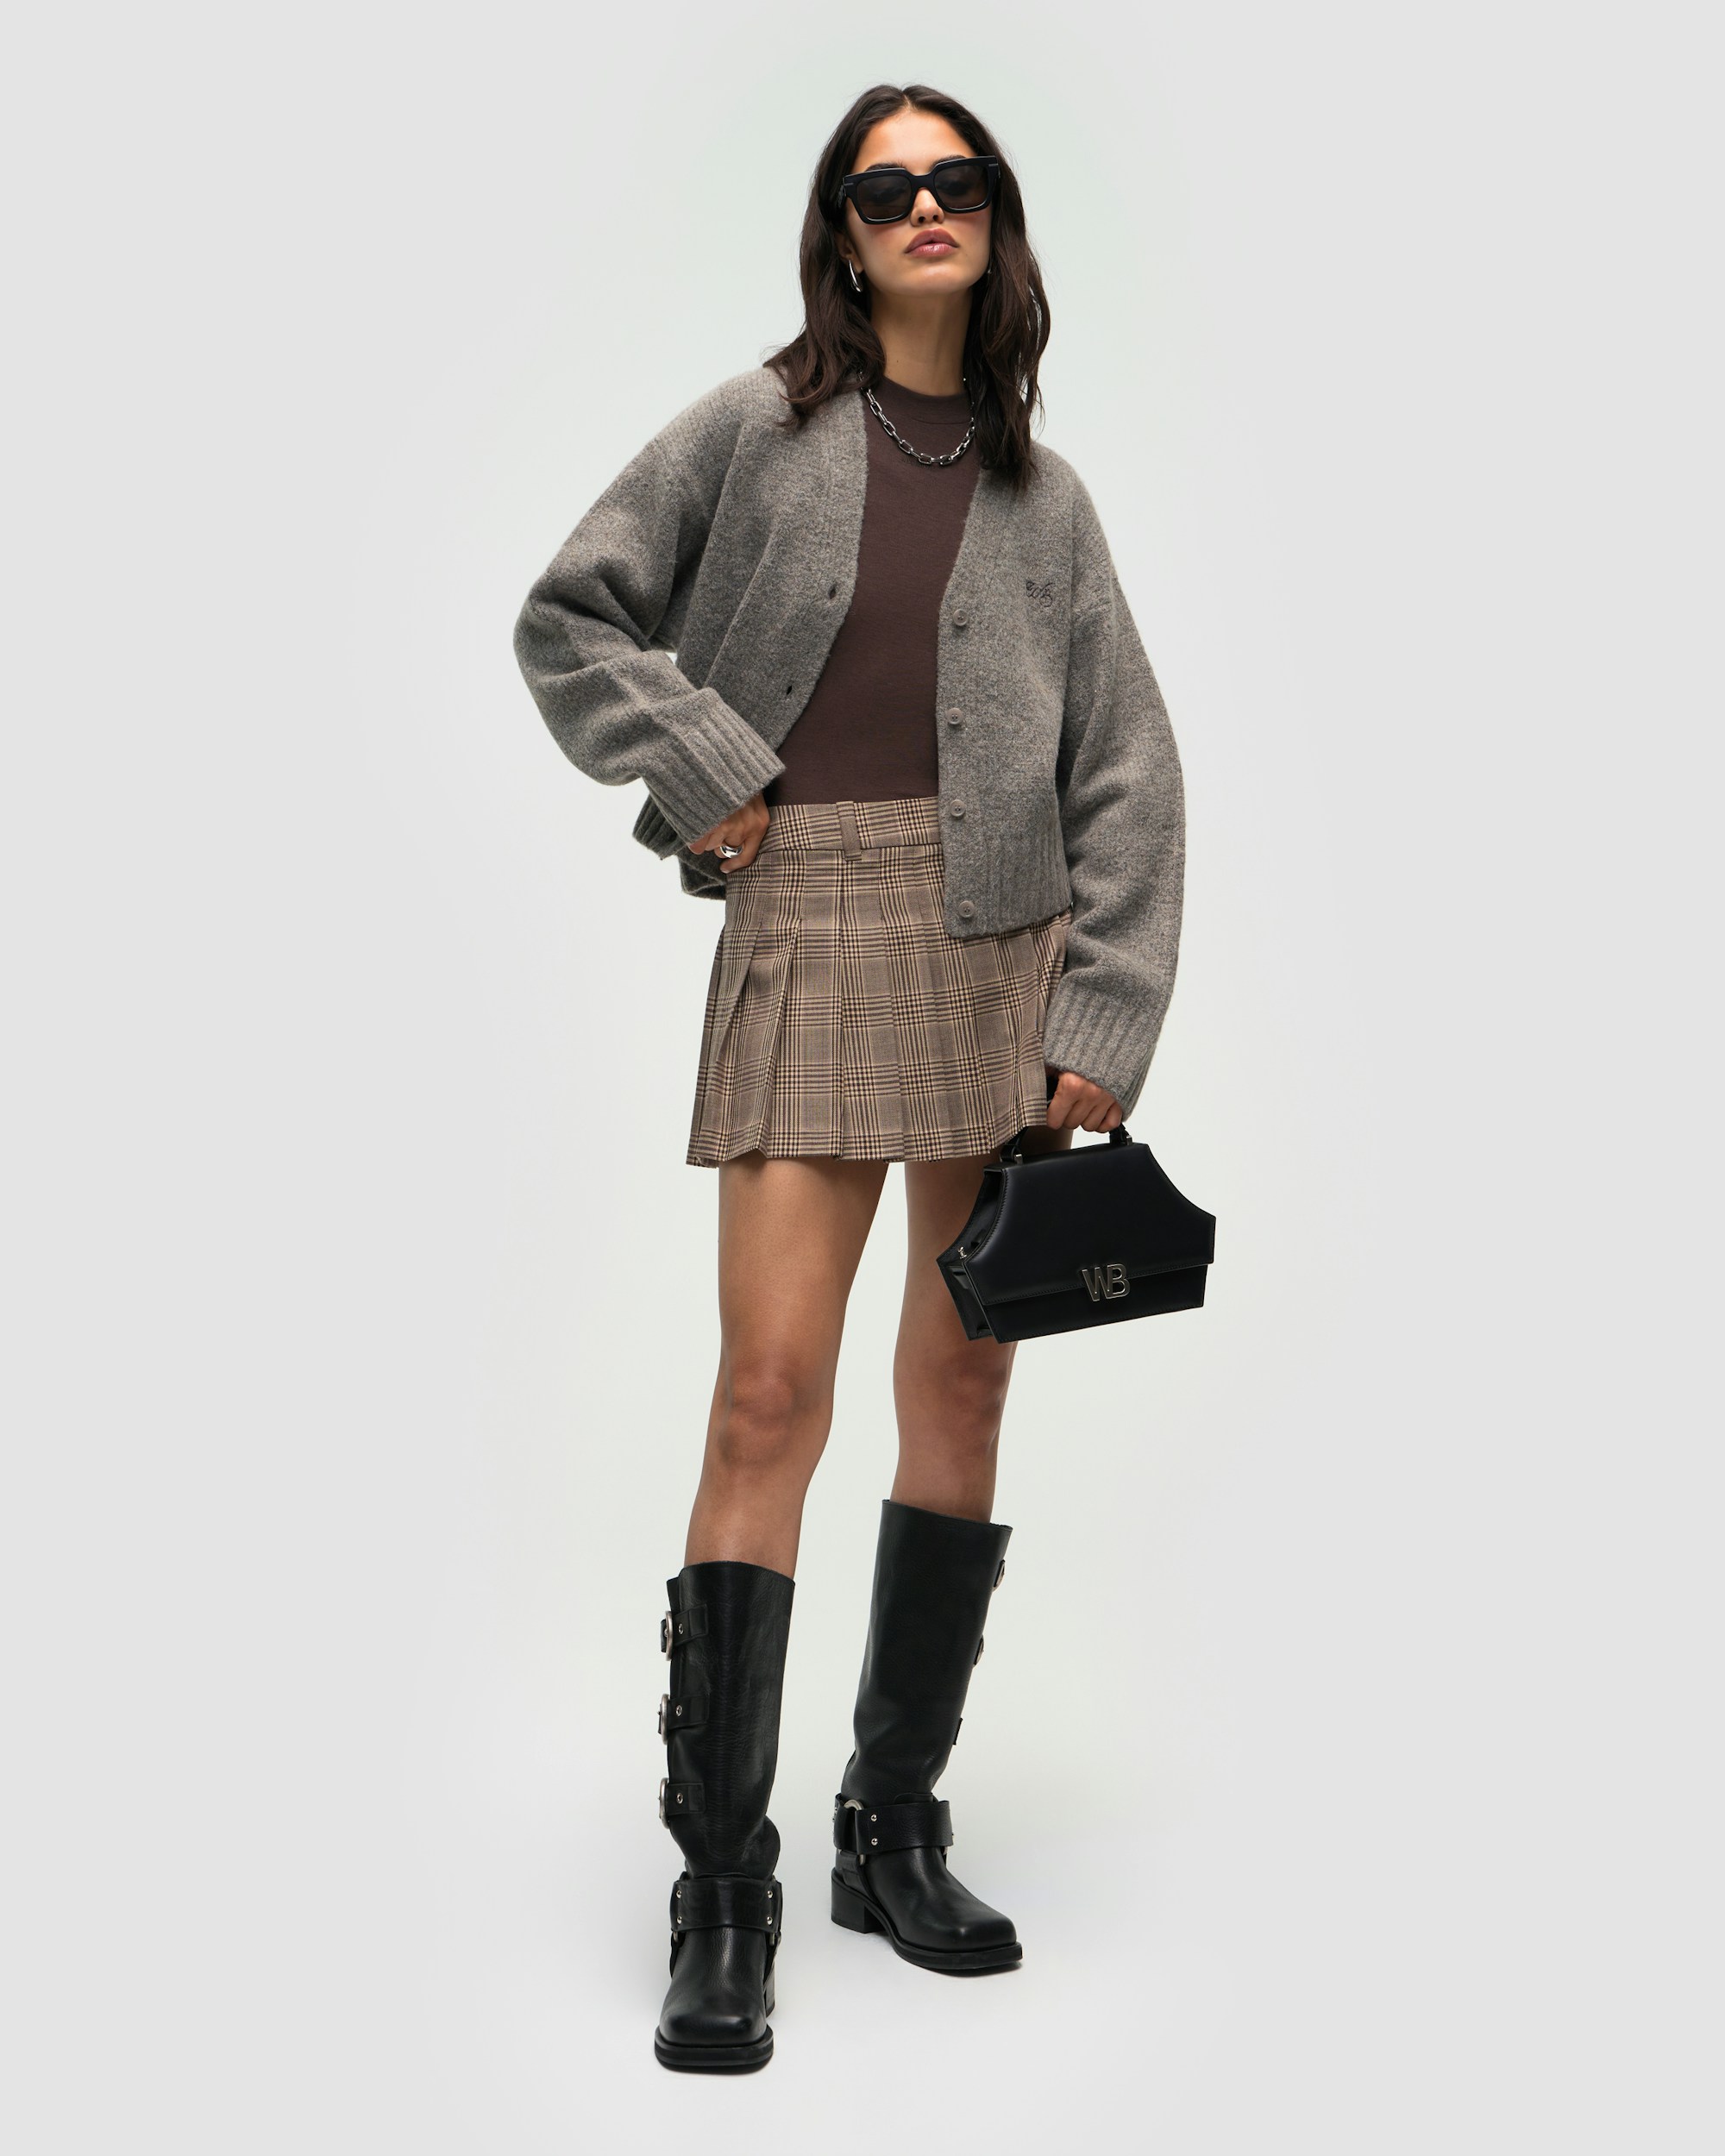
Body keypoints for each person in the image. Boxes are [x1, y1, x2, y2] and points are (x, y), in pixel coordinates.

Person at [512, 81, 1186, 2073]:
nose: (922, 206)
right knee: (768, 1389)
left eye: (954, 180)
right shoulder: (753, 430)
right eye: (886, 187)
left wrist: (1102, 1011)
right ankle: (723, 1887)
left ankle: (893, 1827)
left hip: (1002, 952)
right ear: (841, 227)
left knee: (961, 1378)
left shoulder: (1048, 501)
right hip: (809, 923)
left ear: (995, 220)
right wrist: (706, 772)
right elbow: (569, 612)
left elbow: (1126, 771)